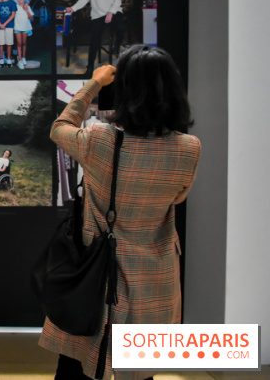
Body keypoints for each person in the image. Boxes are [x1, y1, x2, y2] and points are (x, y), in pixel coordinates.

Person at [39, 45, 201, 380]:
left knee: (76, 365)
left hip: (97, 274)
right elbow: (178, 198)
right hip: (155, 277)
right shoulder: (189, 148)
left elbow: (60, 127)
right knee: (140, 372)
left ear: (125, 89)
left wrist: (95, 83)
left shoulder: (100, 138)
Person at [64, 0, 121, 77]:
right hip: (98, 15)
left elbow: (117, 1)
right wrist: (73, 8)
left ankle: (117, 45)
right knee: (94, 39)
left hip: (113, 12)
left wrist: (111, 12)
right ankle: (90, 67)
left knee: (120, 28)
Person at [0, 0, 17, 67]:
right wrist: (0, 24)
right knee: (1, 43)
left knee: (9, 43)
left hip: (9, 25)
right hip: (0, 26)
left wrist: (4, 24)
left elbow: (12, 15)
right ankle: (1, 59)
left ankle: (8, 58)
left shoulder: (12, 3)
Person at [14, 0, 34, 69]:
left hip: (25, 27)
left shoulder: (27, 6)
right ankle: (19, 60)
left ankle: (24, 57)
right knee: (19, 43)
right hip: (17, 28)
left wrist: (26, 11)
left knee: (23, 43)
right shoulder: (15, 7)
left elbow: (30, 17)